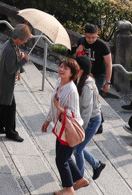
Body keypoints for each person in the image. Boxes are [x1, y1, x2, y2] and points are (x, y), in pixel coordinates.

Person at [42, 57, 86, 194]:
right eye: (60, 66)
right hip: (61, 126)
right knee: (64, 157)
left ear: (72, 73)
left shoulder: (72, 90)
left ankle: (68, 189)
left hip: (70, 129)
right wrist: (48, 120)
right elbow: (53, 104)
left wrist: (59, 108)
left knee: (61, 160)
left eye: (65, 68)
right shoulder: (58, 82)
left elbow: (73, 113)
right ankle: (79, 179)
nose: (61, 69)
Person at [0, 23, 31, 142]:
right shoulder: (10, 49)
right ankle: (11, 132)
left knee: (5, 105)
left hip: (3, 80)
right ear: (19, 39)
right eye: (24, 40)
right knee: (10, 106)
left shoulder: (10, 45)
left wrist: (20, 57)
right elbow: (11, 69)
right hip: (5, 81)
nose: (24, 42)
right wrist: (23, 61)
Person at [72, 55, 106, 182]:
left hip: (91, 121)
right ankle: (97, 165)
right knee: (78, 147)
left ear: (81, 69)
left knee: (77, 149)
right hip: (86, 119)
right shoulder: (80, 80)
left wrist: (80, 128)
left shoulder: (86, 86)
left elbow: (86, 111)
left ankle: (79, 178)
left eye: (75, 66)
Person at [75, 23, 112, 95]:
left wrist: (108, 82)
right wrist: (77, 51)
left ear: (97, 35)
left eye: (93, 37)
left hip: (98, 74)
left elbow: (109, 64)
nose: (91, 40)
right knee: (78, 92)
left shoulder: (103, 45)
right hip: (83, 71)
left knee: (92, 93)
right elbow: (76, 58)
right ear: (85, 34)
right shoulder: (81, 41)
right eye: (88, 37)